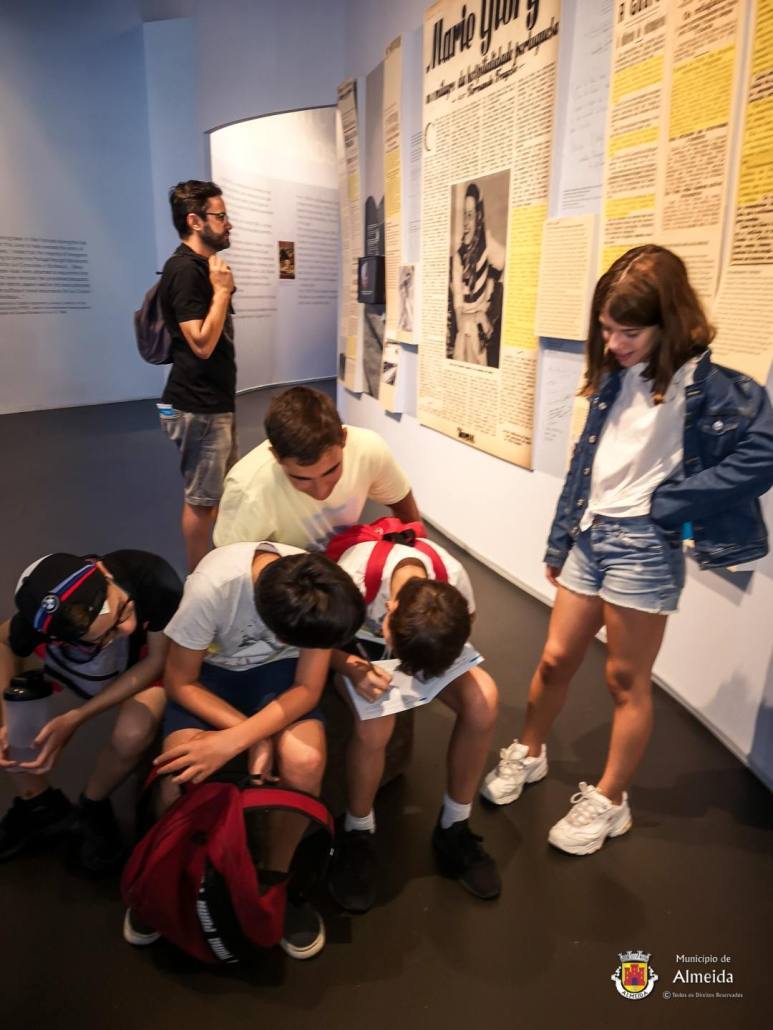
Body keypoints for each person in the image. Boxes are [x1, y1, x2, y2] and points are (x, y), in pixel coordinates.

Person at [482, 244, 773, 855]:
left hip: (644, 545)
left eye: (629, 332)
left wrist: (672, 503)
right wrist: (561, 537)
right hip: (591, 533)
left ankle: (611, 800)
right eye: (607, 329)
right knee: (555, 660)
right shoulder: (616, 376)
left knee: (623, 679)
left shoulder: (714, 388)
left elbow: (761, 456)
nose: (613, 343)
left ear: (670, 321)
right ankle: (529, 751)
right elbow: (585, 468)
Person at [123, 544, 365, 959]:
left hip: (277, 675)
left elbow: (308, 687)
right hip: (210, 676)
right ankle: (165, 873)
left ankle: (276, 877)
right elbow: (180, 682)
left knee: (306, 762)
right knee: (179, 772)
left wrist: (244, 736)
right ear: (281, 634)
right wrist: (252, 735)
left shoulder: (319, 591)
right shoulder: (212, 588)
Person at [328, 533, 500, 911]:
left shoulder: (452, 576)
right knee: (376, 723)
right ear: (388, 609)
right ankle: (357, 832)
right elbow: (319, 641)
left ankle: (454, 825)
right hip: (353, 647)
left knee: (483, 701)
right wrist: (350, 667)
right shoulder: (354, 575)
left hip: (423, 645)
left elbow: (463, 631)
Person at [0, 551, 182, 872]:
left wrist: (77, 718)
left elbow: (157, 661)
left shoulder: (153, 579)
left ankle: (94, 803)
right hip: (84, 665)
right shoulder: (43, 622)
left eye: (123, 608)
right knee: (7, 725)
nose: (127, 627)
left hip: (142, 662)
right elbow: (3, 642)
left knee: (132, 732)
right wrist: (7, 718)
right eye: (106, 634)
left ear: (103, 573)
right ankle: (39, 805)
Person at [213, 386, 420, 550]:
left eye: (331, 471)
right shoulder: (246, 489)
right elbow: (227, 570)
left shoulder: (369, 449)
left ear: (344, 438)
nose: (321, 492)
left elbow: (404, 506)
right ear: (276, 456)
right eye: (301, 478)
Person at [158, 180, 237, 572]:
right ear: (195, 221)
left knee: (216, 494)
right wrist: (221, 293)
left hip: (207, 404)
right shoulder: (185, 271)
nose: (228, 223)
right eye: (220, 216)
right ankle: (198, 581)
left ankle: (216, 567)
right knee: (201, 500)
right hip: (196, 407)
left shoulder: (201, 266)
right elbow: (202, 344)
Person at [450, 182, 505, 368]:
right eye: (464, 215)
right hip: (465, 332)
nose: (466, 222)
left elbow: (506, 261)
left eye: (471, 215)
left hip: (480, 331)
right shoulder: (458, 257)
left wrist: (489, 309)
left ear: (479, 217)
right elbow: (459, 308)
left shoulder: (487, 245)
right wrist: (471, 320)